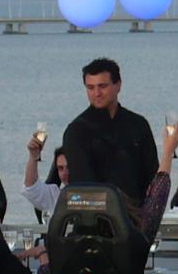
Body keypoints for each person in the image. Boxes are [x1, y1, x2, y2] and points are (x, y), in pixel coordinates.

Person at [60, 57, 159, 205]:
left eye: (102, 86)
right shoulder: (77, 131)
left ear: (118, 85)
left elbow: (152, 176)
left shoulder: (139, 124)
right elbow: (83, 184)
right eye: (90, 88)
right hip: (93, 215)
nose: (97, 93)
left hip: (136, 214)